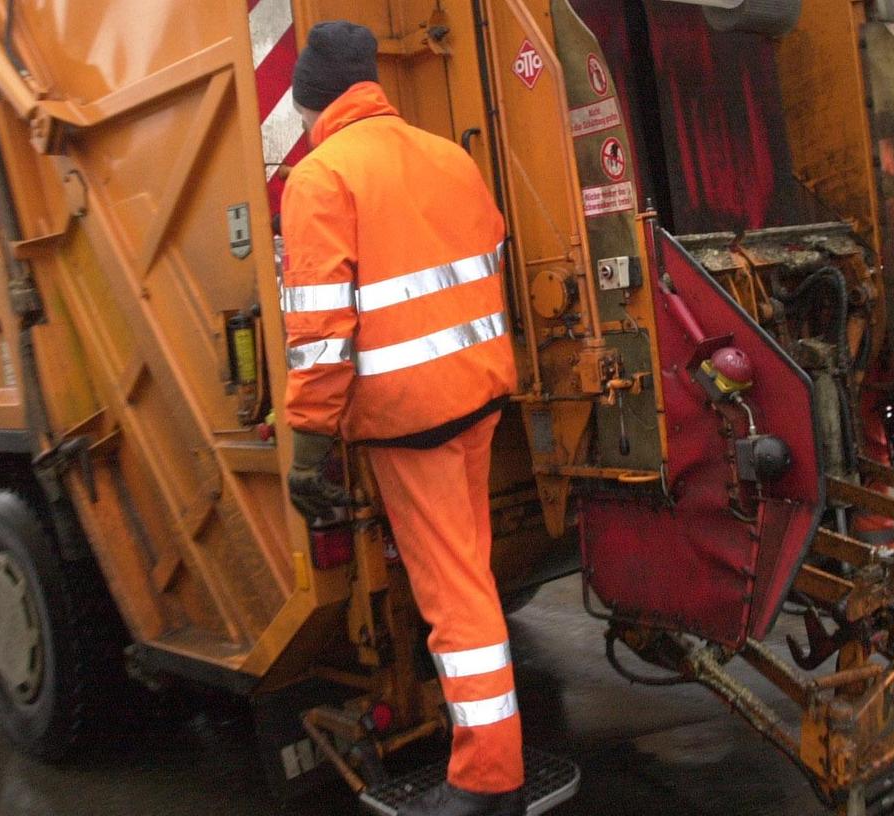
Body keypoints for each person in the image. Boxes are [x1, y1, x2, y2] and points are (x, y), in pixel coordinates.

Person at [278, 20, 525, 816]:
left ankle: (489, 782)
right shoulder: (448, 156)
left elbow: (319, 333)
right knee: (472, 580)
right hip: (477, 399)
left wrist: (310, 444)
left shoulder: (321, 178)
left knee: (454, 598)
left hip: (408, 421)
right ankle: (496, 763)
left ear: (313, 99)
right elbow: (487, 254)